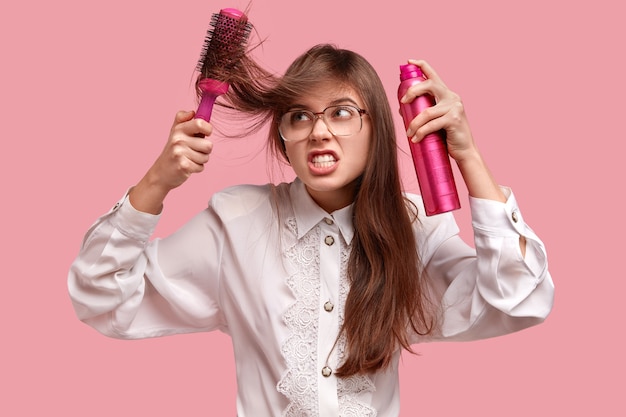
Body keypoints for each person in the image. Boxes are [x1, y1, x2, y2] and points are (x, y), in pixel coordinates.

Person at [67, 44, 554, 416]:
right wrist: (156, 182)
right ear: (284, 138)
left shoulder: (416, 228)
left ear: (376, 128)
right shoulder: (237, 224)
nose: (318, 131)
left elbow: (520, 298)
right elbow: (102, 296)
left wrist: (467, 156)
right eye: (299, 117)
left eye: (341, 113)